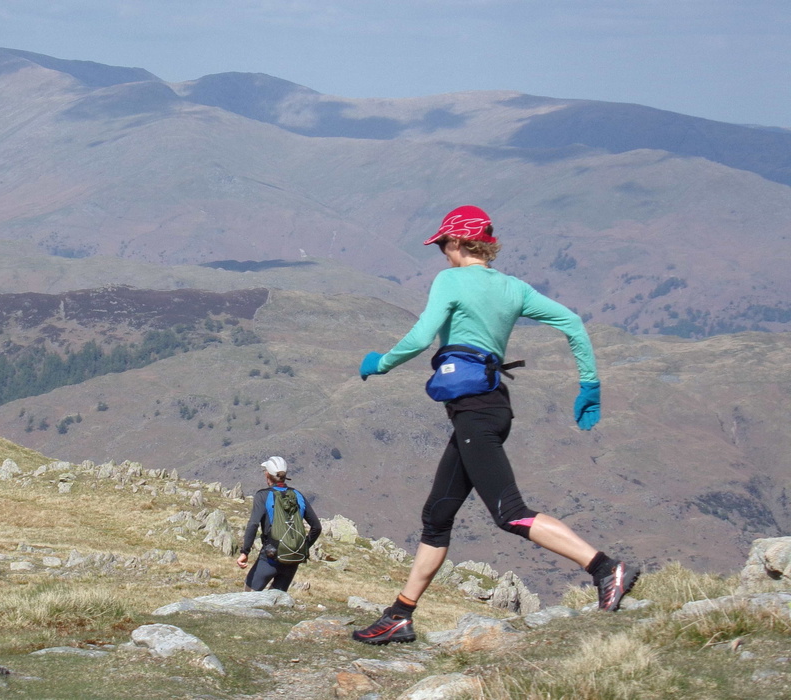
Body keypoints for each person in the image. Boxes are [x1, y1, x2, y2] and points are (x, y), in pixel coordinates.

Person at [352, 205, 638, 645]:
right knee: (437, 515)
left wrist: (382, 363)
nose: (442, 253)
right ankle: (399, 616)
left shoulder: (450, 280)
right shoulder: (514, 288)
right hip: (489, 408)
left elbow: (421, 337)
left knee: (511, 513)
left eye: (443, 244)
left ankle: (605, 569)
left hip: (476, 413)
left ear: (459, 242)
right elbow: (573, 323)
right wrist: (589, 383)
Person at [236, 456, 322, 592]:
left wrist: (244, 552)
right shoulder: (298, 495)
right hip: (293, 558)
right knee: (277, 599)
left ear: (267, 474)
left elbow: (253, 524)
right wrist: (302, 547)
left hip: (270, 557)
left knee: (249, 596)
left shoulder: (263, 495)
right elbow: (316, 527)